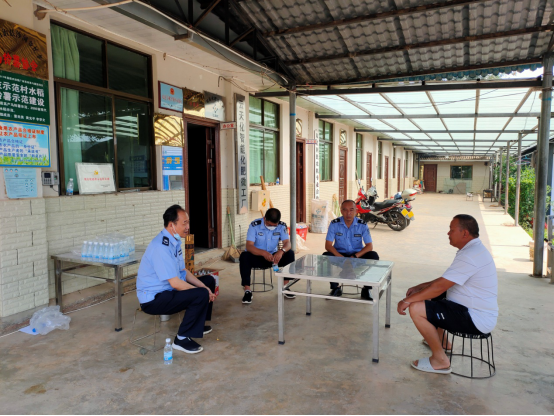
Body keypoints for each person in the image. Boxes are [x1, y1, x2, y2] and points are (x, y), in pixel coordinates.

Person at [398, 214, 498, 375]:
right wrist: (420, 287)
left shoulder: (470, 255)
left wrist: (406, 300)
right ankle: (443, 342)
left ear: (464, 233)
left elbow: (440, 287)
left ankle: (440, 360)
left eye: (451, 230)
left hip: (475, 318)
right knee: (430, 295)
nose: (448, 233)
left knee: (416, 307)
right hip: (472, 310)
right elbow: (446, 280)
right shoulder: (473, 249)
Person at [137, 205, 217, 355]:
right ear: (171, 225)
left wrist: (204, 287)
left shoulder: (174, 241)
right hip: (154, 299)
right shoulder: (160, 247)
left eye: (188, 222)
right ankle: (181, 339)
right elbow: (175, 283)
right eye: (184, 223)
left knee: (209, 281)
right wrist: (202, 292)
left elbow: (183, 271)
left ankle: (197, 324)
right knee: (200, 293)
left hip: (168, 290)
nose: (188, 227)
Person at [323, 200, 379, 300]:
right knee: (326, 255)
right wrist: (342, 258)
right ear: (341, 211)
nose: (348, 213)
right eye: (345, 210)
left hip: (357, 255)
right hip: (339, 254)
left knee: (373, 256)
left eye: (351, 210)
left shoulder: (362, 224)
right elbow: (328, 245)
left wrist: (354, 257)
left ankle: (366, 289)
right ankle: (335, 288)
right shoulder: (334, 224)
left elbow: (369, 246)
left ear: (356, 211)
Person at [239, 208, 296, 304]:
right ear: (265, 218)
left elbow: (287, 243)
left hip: (273, 258)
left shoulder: (282, 226)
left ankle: (286, 287)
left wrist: (281, 251)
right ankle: (247, 290)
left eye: (274, 225)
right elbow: (249, 246)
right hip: (257, 256)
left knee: (290, 253)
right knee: (244, 256)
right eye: (269, 225)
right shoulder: (254, 225)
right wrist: (263, 253)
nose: (272, 227)